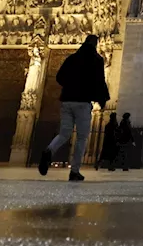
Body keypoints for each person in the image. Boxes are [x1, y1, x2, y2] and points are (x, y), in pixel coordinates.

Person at [39, 34, 110, 182]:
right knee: (82, 137)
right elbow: (100, 81)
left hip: (67, 101)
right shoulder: (96, 60)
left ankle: (49, 150)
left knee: (64, 133)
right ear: (95, 44)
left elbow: (59, 77)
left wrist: (70, 85)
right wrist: (102, 98)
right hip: (83, 103)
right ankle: (75, 171)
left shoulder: (72, 58)